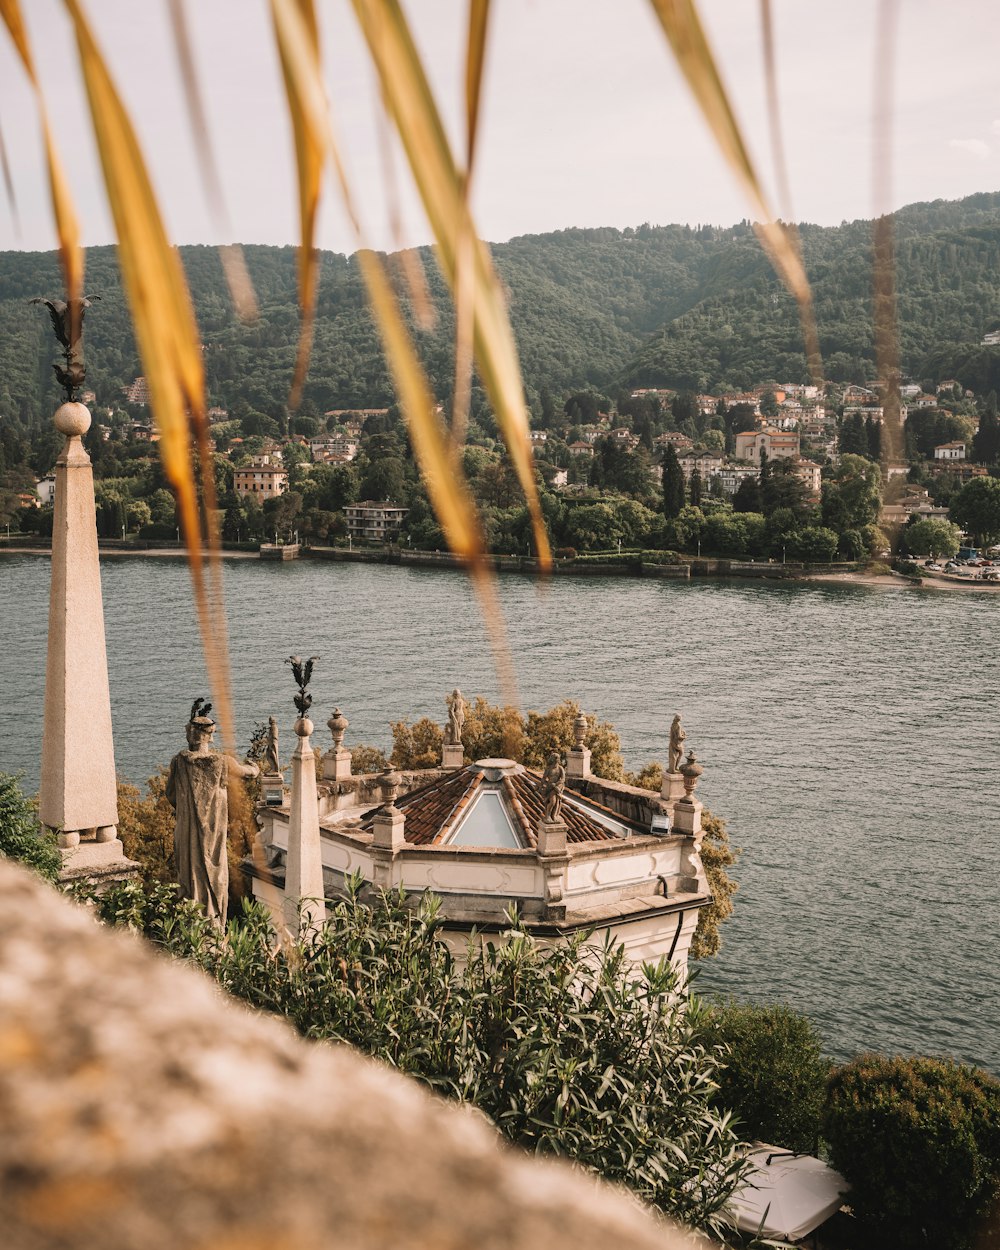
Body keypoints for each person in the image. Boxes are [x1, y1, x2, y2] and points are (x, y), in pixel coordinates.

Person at [166, 699, 258, 926]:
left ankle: (191, 919)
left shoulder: (179, 761)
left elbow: (171, 795)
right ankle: (213, 920)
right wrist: (255, 765)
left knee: (188, 874)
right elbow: (248, 773)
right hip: (214, 833)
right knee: (215, 872)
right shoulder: (221, 762)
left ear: (192, 735)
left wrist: (188, 811)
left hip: (187, 832)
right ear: (210, 736)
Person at [540, 751, 566, 822]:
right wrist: (546, 784)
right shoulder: (548, 769)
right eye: (555, 759)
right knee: (552, 802)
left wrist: (557, 784)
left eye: (558, 759)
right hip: (550, 787)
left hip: (557, 787)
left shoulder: (560, 768)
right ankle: (547, 815)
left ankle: (553, 815)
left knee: (556, 802)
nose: (557, 761)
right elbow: (543, 779)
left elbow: (563, 779)